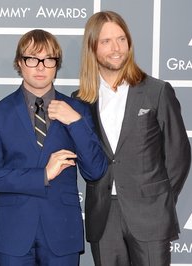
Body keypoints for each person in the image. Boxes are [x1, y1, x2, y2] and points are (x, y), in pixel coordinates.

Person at [0, 29, 108, 265]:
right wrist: (43, 175)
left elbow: (96, 170)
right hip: (13, 235)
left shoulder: (76, 109)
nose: (40, 67)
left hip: (62, 233)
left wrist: (76, 123)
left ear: (56, 64)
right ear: (20, 63)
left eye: (48, 60)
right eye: (32, 59)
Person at [75, 10, 191, 266]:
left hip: (150, 215)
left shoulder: (156, 91)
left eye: (121, 39)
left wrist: (160, 200)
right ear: (92, 48)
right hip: (104, 217)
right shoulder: (81, 100)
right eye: (106, 41)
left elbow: (179, 155)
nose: (116, 48)